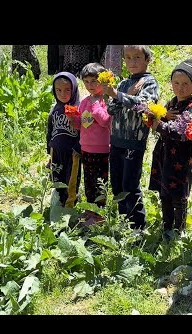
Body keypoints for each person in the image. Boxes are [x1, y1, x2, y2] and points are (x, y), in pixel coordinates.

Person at [149, 59, 192, 240]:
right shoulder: (171, 103)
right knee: (164, 192)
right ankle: (166, 226)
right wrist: (160, 116)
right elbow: (160, 119)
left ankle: (179, 230)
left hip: (181, 157)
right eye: (176, 83)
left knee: (179, 195)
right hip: (164, 154)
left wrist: (157, 124)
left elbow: (179, 131)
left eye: (185, 84)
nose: (180, 88)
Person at [105, 45, 159, 230]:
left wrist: (118, 96)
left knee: (130, 184)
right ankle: (124, 222)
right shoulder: (122, 84)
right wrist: (124, 95)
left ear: (147, 60)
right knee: (117, 184)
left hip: (134, 142)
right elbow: (111, 109)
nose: (132, 62)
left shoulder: (149, 82)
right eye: (128, 58)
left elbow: (145, 104)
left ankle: (138, 226)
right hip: (116, 140)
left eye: (137, 57)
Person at [68, 63, 112, 221]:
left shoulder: (106, 100)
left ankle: (99, 213)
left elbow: (105, 121)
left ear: (103, 81)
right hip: (86, 148)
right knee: (89, 181)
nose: (90, 85)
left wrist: (95, 105)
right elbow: (81, 124)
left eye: (94, 81)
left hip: (102, 149)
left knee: (100, 181)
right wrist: (73, 120)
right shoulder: (85, 101)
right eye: (86, 82)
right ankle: (90, 209)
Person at [46, 71, 82, 209]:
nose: (63, 94)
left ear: (74, 89)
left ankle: (70, 207)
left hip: (72, 153)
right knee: (57, 178)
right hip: (56, 151)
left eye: (68, 90)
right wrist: (49, 151)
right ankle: (59, 202)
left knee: (71, 181)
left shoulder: (78, 109)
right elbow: (49, 132)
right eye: (58, 90)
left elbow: (83, 132)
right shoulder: (54, 110)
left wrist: (78, 148)